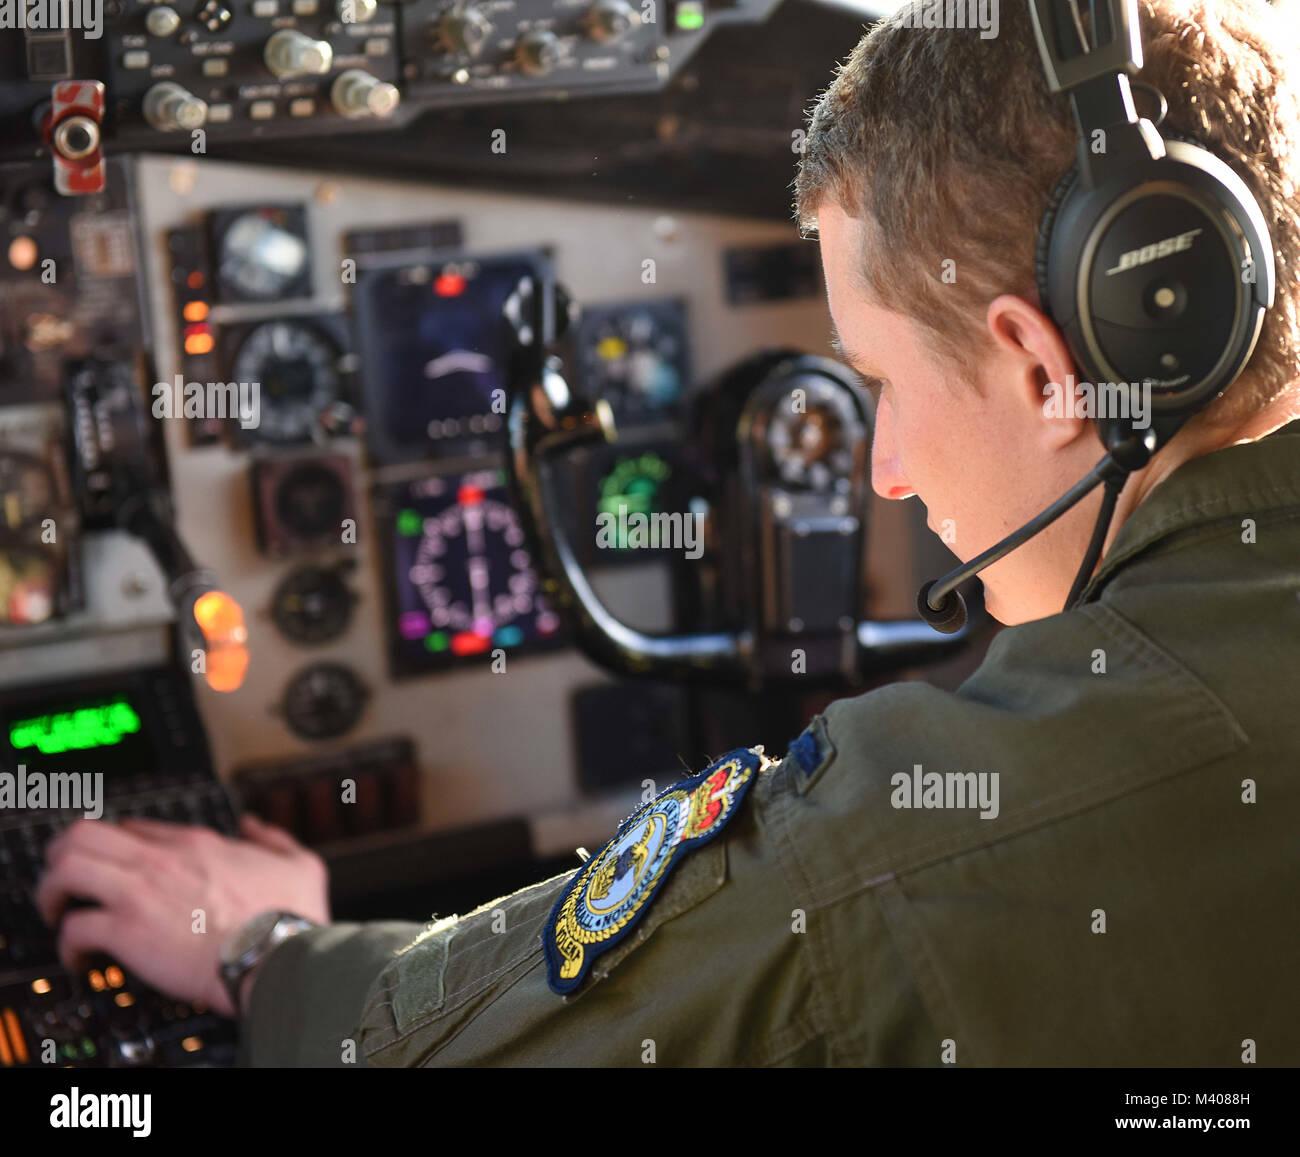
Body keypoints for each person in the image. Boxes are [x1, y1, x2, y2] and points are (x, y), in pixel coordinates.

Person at [35, 0, 1300, 1066]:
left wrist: (263, 951)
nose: (890, 470)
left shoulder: (926, 841)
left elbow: (466, 1045)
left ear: (1043, 367)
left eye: (882, 383)